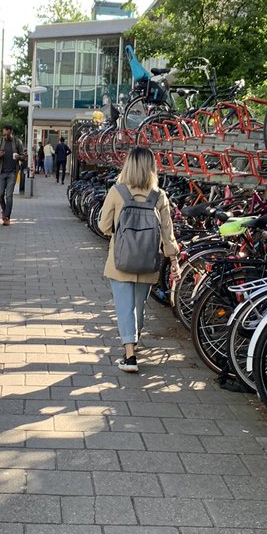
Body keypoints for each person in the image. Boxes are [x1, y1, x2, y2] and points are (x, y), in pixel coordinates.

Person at [99, 145, 178, 373]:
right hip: (147, 260)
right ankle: (134, 341)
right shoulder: (159, 196)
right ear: (151, 168)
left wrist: (121, 233)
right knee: (138, 307)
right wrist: (173, 259)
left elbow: (103, 225)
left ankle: (130, 355)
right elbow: (167, 232)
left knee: (124, 307)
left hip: (120, 260)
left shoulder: (117, 191)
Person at [0, 123, 23, 225]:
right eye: (4, 135)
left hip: (12, 172)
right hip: (2, 172)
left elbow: (23, 156)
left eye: (7, 135)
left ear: (11, 132)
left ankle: (7, 217)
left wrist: (19, 157)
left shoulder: (17, 142)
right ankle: (4, 211)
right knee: (0, 195)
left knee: (9, 195)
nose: (5, 137)